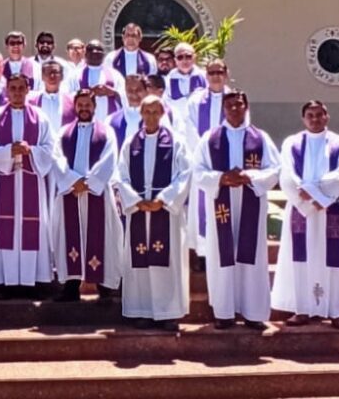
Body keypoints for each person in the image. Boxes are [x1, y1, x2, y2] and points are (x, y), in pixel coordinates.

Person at [193, 91, 280, 330]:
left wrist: (249, 176)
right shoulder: (210, 138)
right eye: (229, 105)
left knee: (251, 256)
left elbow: (275, 169)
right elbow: (198, 171)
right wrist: (222, 178)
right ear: (223, 108)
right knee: (223, 256)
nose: (234, 109)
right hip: (221, 204)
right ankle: (224, 312)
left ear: (246, 106)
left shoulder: (260, 138)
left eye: (238, 104)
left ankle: (253, 313)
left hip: (250, 201)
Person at [273, 101, 339, 330]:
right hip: (300, 210)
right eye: (310, 115)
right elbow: (287, 174)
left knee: (334, 259)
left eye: (319, 115)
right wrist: (308, 198)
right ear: (304, 119)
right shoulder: (291, 143)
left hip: (329, 209)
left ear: (327, 116)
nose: (315, 119)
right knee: (300, 258)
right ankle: (302, 309)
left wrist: (315, 194)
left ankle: (337, 311)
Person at [116, 95, 192, 331]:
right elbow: (121, 176)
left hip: (165, 212)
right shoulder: (130, 143)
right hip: (139, 210)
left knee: (165, 262)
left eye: (154, 112)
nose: (150, 116)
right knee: (141, 263)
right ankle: (144, 311)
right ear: (141, 115)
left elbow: (185, 175)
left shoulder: (176, 142)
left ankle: (168, 312)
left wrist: (163, 199)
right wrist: (136, 201)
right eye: (146, 112)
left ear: (162, 113)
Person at [0, 74, 58, 297]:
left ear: (27, 90)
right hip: (6, 180)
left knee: (34, 228)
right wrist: (8, 152)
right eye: (12, 88)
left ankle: (36, 280)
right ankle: (5, 283)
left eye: (20, 88)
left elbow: (50, 150)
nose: (16, 92)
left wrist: (30, 151)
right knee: (5, 230)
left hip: (32, 181)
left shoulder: (40, 118)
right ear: (6, 90)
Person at [51, 90, 121, 304]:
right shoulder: (63, 133)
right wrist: (72, 181)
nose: (83, 108)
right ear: (75, 107)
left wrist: (89, 183)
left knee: (102, 238)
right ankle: (71, 287)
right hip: (71, 193)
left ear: (94, 106)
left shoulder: (105, 131)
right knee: (69, 238)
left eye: (87, 105)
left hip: (96, 194)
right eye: (80, 105)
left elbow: (109, 159)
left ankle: (104, 285)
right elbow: (57, 158)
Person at [184, 59, 234, 263]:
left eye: (219, 72)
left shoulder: (235, 100)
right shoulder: (196, 101)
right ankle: (203, 254)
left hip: (226, 166)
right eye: (211, 72)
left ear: (226, 73)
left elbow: (241, 130)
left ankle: (225, 249)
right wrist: (205, 156)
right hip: (203, 165)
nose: (215, 76)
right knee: (201, 208)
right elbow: (189, 129)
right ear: (206, 75)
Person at [71, 40, 125, 123]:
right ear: (85, 53)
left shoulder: (115, 75)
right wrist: (89, 92)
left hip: (110, 121)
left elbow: (126, 96)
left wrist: (113, 92)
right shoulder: (75, 75)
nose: (95, 52)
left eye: (98, 49)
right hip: (83, 121)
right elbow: (67, 97)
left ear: (103, 54)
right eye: (91, 49)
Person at [28, 61, 76, 134]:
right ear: (42, 77)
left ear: (62, 76)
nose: (52, 76)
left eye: (55, 72)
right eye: (48, 73)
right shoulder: (31, 102)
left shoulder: (72, 102)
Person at [164, 43, 206, 112]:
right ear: (175, 60)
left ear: (194, 57)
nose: (184, 60)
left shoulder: (204, 76)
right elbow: (166, 105)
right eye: (180, 57)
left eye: (188, 56)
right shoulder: (168, 80)